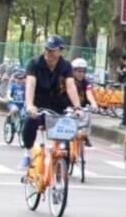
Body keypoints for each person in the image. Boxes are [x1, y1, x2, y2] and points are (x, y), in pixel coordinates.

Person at [20, 35, 81, 170]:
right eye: (47, 49)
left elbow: (70, 86)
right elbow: (30, 84)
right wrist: (30, 105)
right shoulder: (34, 63)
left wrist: (77, 107)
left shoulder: (65, 66)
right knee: (30, 123)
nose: (48, 53)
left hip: (58, 105)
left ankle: (61, 169)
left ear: (60, 51)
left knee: (66, 132)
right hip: (38, 105)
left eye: (52, 50)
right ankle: (28, 153)